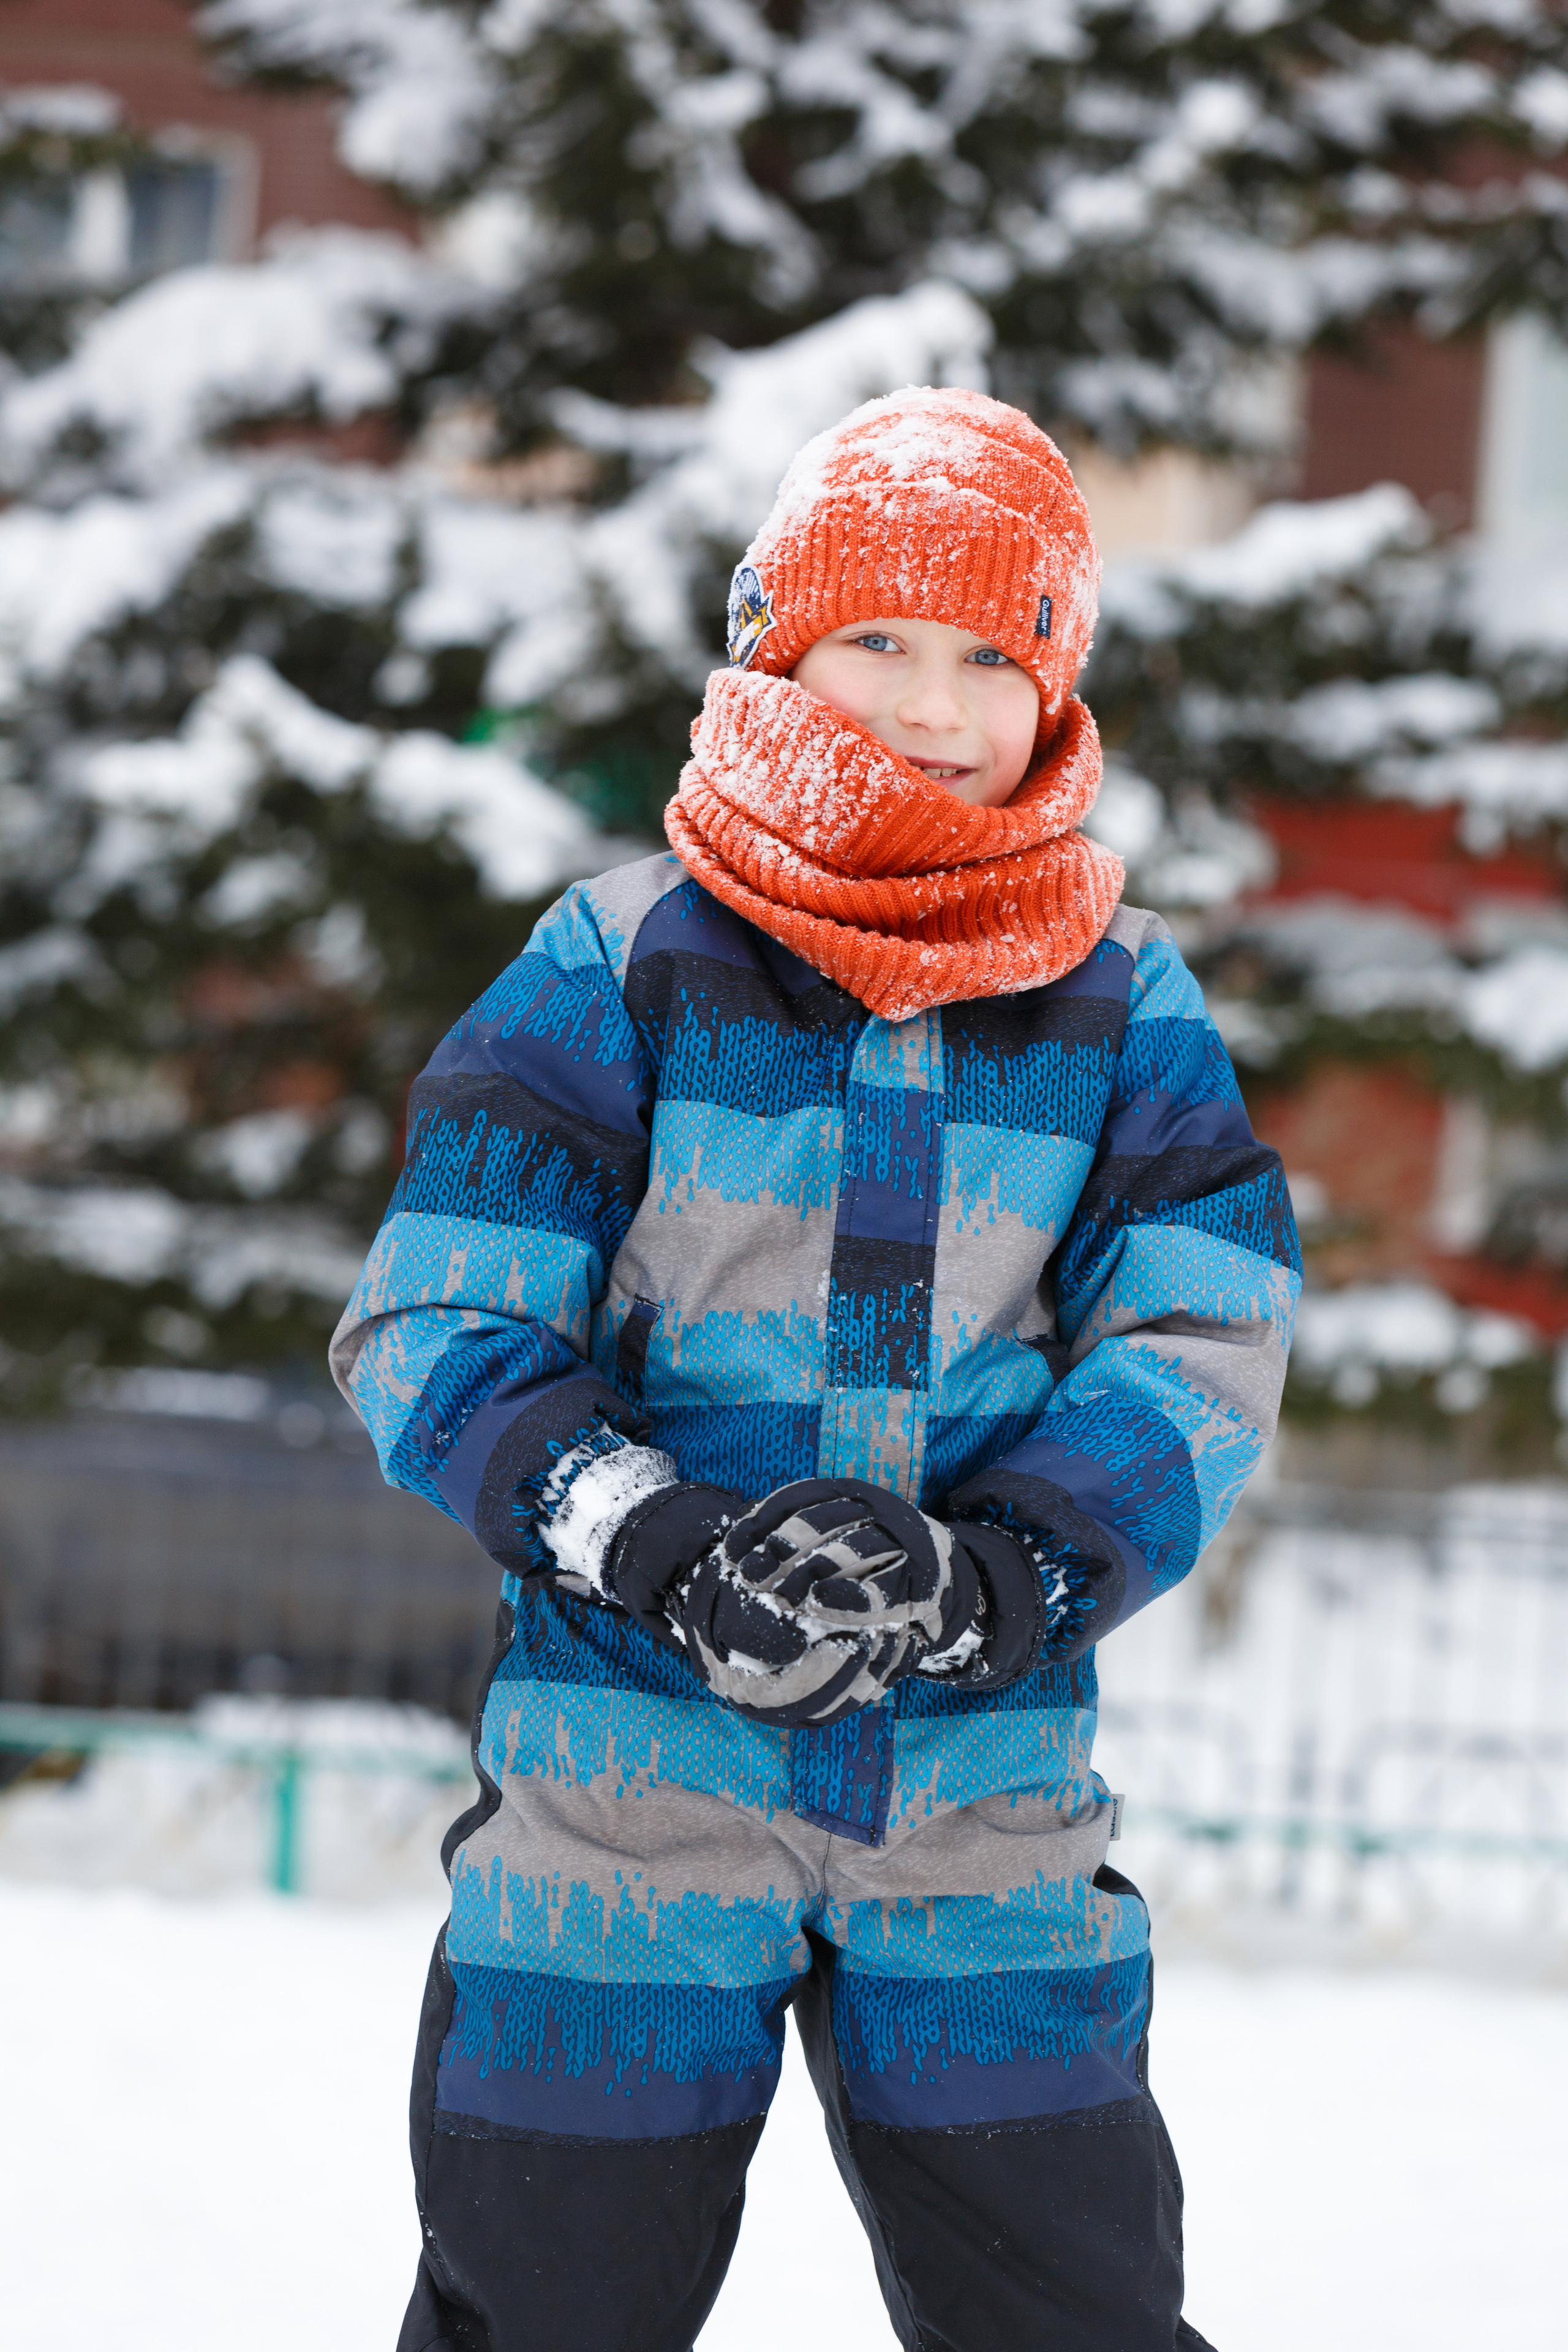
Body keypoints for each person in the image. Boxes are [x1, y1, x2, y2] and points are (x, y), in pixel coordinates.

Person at [332, 386, 1300, 2352]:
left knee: (1076, 2308)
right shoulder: (623, 961)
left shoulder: (1120, 997)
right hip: (622, 1798)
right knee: (545, 2304)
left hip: (980, 1807)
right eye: (877, 641)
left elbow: (1199, 1330)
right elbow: (441, 1320)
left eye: (985, 657)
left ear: (1053, 690)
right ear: (777, 646)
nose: (932, 704)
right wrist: (660, 1536)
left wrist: (1002, 1574)